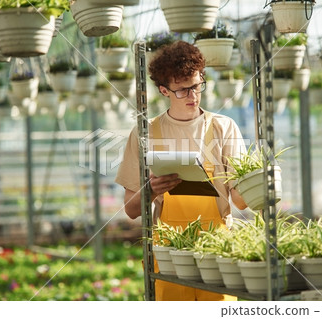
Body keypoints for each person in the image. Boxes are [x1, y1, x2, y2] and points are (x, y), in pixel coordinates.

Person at [115, 40, 247, 301]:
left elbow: (240, 200)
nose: (193, 95)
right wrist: (150, 190)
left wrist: (257, 183)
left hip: (216, 248)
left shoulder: (224, 128)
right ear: (164, 90)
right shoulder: (146, 133)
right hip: (168, 251)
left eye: (197, 86)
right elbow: (131, 209)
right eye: (182, 90)